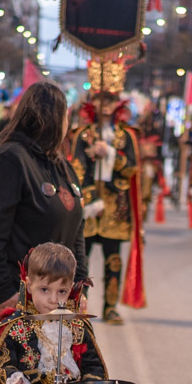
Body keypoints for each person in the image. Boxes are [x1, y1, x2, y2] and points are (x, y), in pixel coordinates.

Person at [0, 81, 87, 384]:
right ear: (53, 117)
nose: (69, 123)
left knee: (41, 378)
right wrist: (6, 293)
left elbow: (76, 231)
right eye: (66, 115)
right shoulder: (10, 159)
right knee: (0, 375)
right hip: (4, 286)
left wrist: (79, 286)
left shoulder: (59, 164)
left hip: (47, 292)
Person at [0, 243, 108, 384]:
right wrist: (16, 380)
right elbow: (1, 366)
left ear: (71, 288)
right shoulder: (14, 326)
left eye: (62, 291)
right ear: (28, 285)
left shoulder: (77, 325)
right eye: (44, 290)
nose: (53, 299)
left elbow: (93, 364)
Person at [68, 59, 144, 324]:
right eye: (101, 98)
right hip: (89, 209)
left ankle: (111, 307)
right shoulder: (82, 134)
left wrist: (110, 153)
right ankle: (79, 305)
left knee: (114, 261)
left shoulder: (127, 136)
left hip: (116, 208)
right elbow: (76, 169)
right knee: (81, 262)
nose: (105, 104)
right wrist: (90, 199)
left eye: (110, 99)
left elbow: (132, 168)